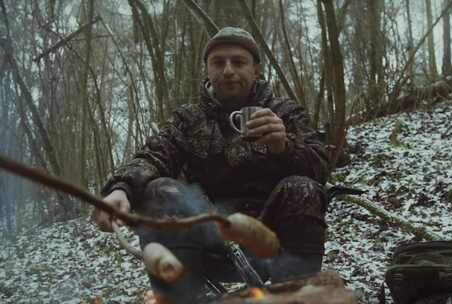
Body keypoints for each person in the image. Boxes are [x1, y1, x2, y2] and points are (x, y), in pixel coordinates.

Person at [92, 27, 330, 303]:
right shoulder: (188, 120)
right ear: (207, 70)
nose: (228, 71)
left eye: (238, 62)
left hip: (273, 237)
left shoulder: (285, 113)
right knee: (160, 190)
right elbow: (153, 156)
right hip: (205, 232)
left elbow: (321, 168)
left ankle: (294, 299)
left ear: (256, 70)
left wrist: (284, 145)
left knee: (302, 188)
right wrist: (121, 189)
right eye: (218, 63)